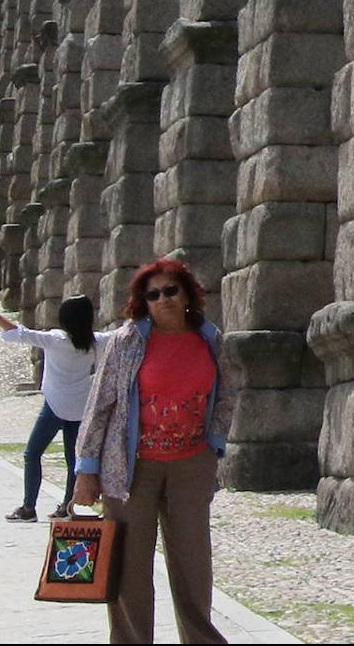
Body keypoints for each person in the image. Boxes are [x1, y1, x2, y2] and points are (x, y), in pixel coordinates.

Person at [72, 258, 232, 644]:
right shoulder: (127, 342)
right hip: (130, 470)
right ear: (143, 302)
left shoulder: (210, 339)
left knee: (194, 566)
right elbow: (99, 405)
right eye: (153, 295)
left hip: (190, 466)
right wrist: (86, 467)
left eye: (170, 291)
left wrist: (214, 444)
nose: (163, 300)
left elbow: (226, 395)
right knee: (129, 569)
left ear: (187, 293)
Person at [0, 292, 110, 522]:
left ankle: (28, 507)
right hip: (80, 407)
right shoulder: (95, 341)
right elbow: (122, 334)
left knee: (32, 453)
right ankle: (67, 506)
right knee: (73, 461)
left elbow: (18, 333)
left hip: (54, 406)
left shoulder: (55, 339)